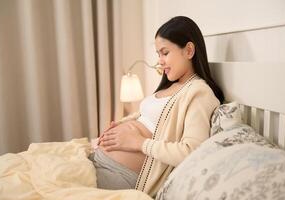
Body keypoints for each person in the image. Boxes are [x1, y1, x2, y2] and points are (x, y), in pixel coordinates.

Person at [89, 16, 224, 197]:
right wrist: (119, 127)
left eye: (165, 52)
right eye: (158, 54)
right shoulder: (171, 85)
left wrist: (137, 142)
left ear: (189, 50)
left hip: (120, 174)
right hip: (100, 159)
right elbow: (146, 118)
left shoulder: (199, 93)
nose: (159, 61)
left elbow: (192, 151)